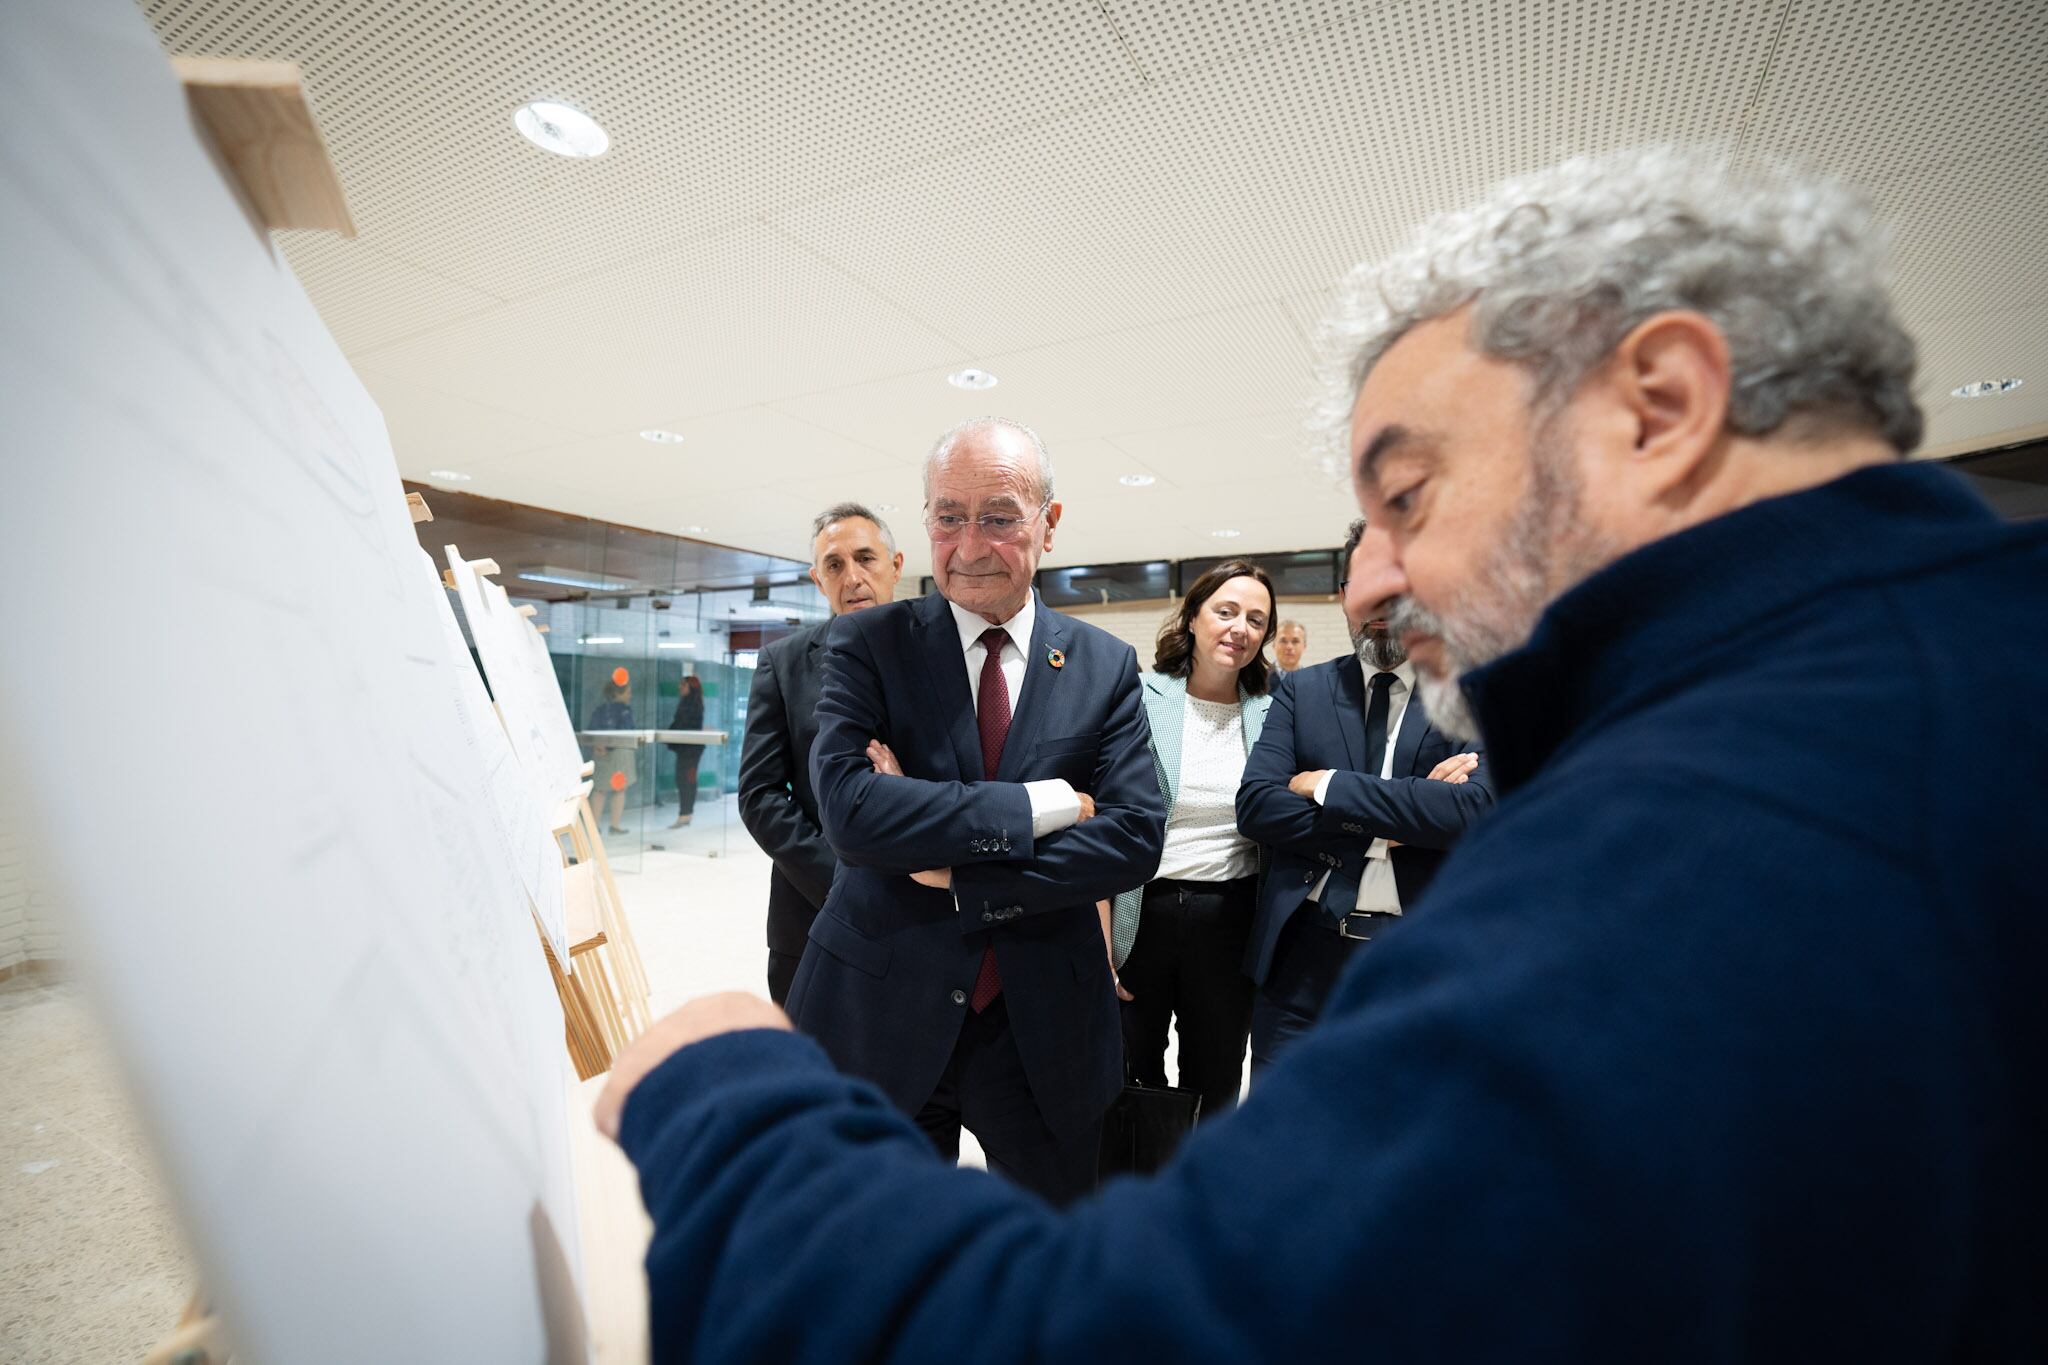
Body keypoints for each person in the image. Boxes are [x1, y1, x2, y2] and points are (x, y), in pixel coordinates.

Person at [594, 148, 2048, 1360]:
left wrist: (724, 1098)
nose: (1363, 586)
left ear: (1658, 405)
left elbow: (1117, 1331)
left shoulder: (1705, 836)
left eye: (1408, 495)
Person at [775, 416, 1164, 1204]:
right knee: (878, 1258)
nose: (971, 543)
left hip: (1042, 1026)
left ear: (1048, 525)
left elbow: (1132, 838)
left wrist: (960, 874)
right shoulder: (868, 646)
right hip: (879, 1011)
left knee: (1048, 1257)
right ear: (924, 524)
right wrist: (1045, 805)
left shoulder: (1104, 665)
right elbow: (850, 812)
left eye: (999, 516)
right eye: (949, 516)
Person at [1235, 516, 1494, 1071]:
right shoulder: (1304, 691)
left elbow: (1477, 809)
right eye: (1366, 586)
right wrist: (1409, 816)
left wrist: (1329, 786)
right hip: (1301, 963)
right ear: (1344, 597)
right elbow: (1257, 805)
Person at [1103, 559, 1278, 1122]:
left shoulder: (1274, 712)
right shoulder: (1138, 697)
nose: (1240, 629)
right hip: (1142, 912)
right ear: (1194, 618)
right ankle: (1139, 1196)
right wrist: (1099, 935)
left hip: (1231, 916)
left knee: (1219, 1076)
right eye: (1225, 611)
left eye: (1256, 619)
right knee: (1134, 1073)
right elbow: (1105, 816)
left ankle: (1204, 1197)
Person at [737, 501, 905, 1005]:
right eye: (834, 565)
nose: (851, 577)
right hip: (812, 913)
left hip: (925, 913)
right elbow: (761, 794)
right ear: (818, 579)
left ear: (895, 567)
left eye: (865, 559)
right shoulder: (783, 664)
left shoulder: (939, 657)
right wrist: (840, 878)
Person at [586, 677, 635, 835]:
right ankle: (615, 825)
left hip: (601, 752)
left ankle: (594, 826)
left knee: (599, 790)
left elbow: (591, 729)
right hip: (620, 753)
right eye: (628, 692)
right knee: (619, 790)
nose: (630, 695)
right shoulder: (625, 711)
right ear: (618, 693)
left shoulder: (600, 710)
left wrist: (600, 745)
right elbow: (626, 732)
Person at [664, 675, 705, 829]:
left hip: (691, 750)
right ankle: (685, 814)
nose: (680, 687)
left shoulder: (693, 706)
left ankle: (685, 814)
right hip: (686, 749)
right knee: (684, 779)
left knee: (687, 780)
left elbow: (685, 726)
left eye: (683, 685)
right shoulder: (686, 704)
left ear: (691, 688)